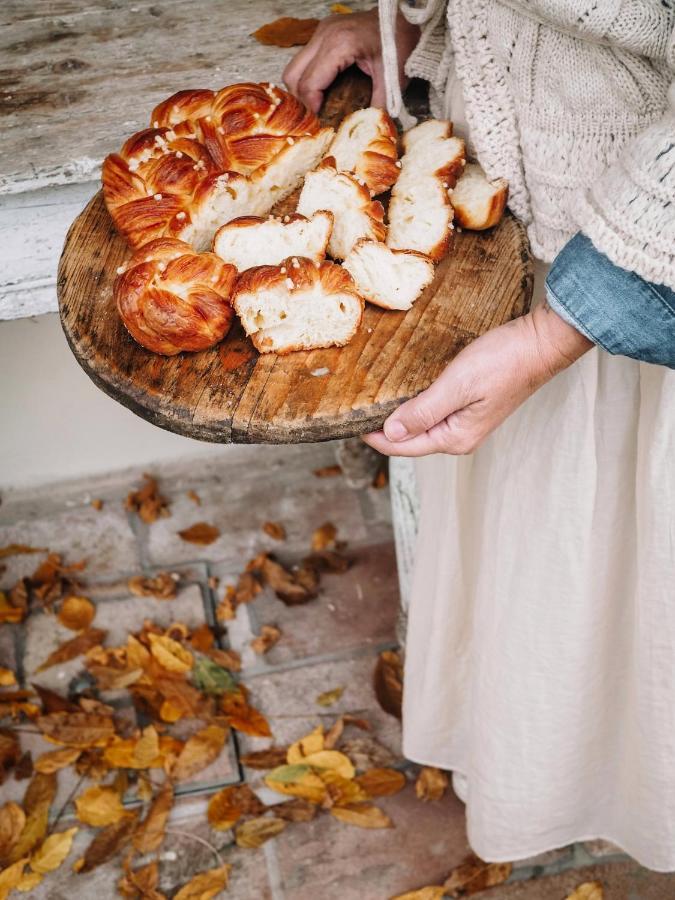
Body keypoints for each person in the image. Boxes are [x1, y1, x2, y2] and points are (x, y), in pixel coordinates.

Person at [284, 1, 675, 872]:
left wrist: (554, 335)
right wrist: (404, 24)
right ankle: (554, 772)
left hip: (643, 284)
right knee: (544, 595)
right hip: (513, 254)